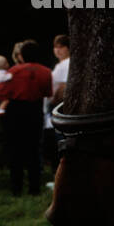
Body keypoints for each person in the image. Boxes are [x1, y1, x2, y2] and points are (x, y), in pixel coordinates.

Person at [0, 40, 52, 196]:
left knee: (15, 151)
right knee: (34, 150)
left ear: (22, 56)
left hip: (16, 112)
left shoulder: (13, 72)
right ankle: (34, 188)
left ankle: (16, 188)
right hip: (35, 111)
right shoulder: (46, 72)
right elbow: (48, 92)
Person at [43, 35, 71, 174]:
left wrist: (54, 101)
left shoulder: (67, 63)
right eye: (56, 47)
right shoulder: (60, 64)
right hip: (54, 105)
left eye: (61, 47)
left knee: (61, 140)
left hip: (59, 106)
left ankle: (62, 171)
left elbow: (63, 86)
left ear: (68, 48)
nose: (58, 50)